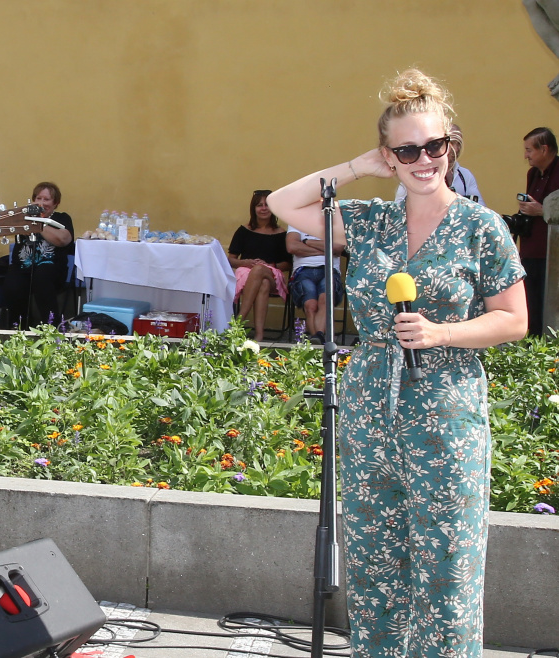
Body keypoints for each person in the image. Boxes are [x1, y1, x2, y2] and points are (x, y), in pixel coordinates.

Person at [268, 69, 527, 657]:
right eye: (406, 149)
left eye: (433, 146)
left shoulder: (481, 227)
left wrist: (441, 332)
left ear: (451, 147)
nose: (422, 159)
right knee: (375, 564)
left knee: (448, 565)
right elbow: (284, 203)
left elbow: (514, 319)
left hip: (446, 412)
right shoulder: (369, 222)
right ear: (391, 154)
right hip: (368, 411)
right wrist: (358, 166)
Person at [3, 181, 73, 329]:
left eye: (46, 199)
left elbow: (63, 239)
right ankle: (16, 329)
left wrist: (38, 224)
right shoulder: (24, 218)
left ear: (56, 203)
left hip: (51, 268)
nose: (41, 203)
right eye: (38, 198)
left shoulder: (62, 218)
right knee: (12, 284)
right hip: (23, 267)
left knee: (42, 277)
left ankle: (50, 329)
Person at [226, 190, 290, 342]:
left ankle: (239, 321)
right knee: (263, 284)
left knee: (261, 270)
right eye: (259, 205)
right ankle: (259, 335)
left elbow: (287, 263)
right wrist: (245, 262)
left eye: (267, 205)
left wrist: (269, 265)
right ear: (253, 208)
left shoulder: (281, 233)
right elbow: (231, 259)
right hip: (246, 275)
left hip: (273, 274)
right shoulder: (243, 231)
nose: (263, 208)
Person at [517, 127, 559, 335]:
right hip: (530, 249)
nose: (526, 155)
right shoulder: (533, 174)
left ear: (544, 149)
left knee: (548, 308)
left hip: (552, 254)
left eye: (529, 150)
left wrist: (540, 210)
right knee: (530, 305)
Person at [394, 124, 485, 206]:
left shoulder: (464, 175)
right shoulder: (418, 174)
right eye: (449, 143)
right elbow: (398, 213)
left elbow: (480, 208)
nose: (453, 148)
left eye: (456, 143)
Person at [285, 226, 344, 343]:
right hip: (303, 271)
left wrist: (306, 242)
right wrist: (327, 249)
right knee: (310, 305)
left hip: (329, 269)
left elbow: (338, 247)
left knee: (325, 300)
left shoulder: (334, 220)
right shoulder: (296, 221)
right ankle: (320, 339)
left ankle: (317, 338)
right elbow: (292, 247)